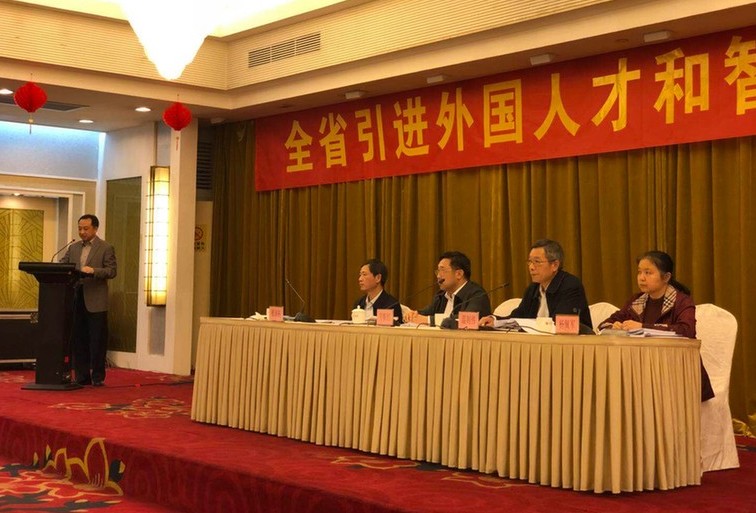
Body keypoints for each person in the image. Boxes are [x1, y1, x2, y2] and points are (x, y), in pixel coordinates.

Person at [596, 250, 714, 401]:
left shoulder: (682, 301)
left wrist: (643, 327)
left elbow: (687, 330)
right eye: (639, 272)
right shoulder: (637, 301)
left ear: (666, 277)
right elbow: (603, 325)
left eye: (648, 273)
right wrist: (614, 327)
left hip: (677, 372)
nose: (641, 278)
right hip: (643, 372)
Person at [480, 239, 592, 330]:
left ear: (555, 265)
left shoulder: (570, 285)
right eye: (530, 262)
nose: (531, 267)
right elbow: (518, 317)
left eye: (537, 262)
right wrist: (495, 320)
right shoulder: (533, 289)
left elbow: (561, 323)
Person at [60, 214, 117, 387]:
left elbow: (112, 271)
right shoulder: (74, 247)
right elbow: (63, 265)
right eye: (80, 228)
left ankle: (98, 376)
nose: (82, 232)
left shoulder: (106, 247)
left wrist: (93, 271)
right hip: (77, 298)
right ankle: (82, 376)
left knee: (97, 339)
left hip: (96, 300)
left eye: (86, 228)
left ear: (95, 228)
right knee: (79, 339)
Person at [405, 251, 491, 326]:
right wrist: (415, 314)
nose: (438, 276)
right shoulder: (441, 295)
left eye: (443, 270)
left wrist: (429, 320)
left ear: (459, 274)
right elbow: (427, 312)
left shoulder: (477, 295)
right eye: (438, 271)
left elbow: (466, 320)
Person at [352, 259, 403, 325]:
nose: (360, 279)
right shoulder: (359, 303)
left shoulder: (391, 305)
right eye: (360, 275)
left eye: (364, 274)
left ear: (378, 278)